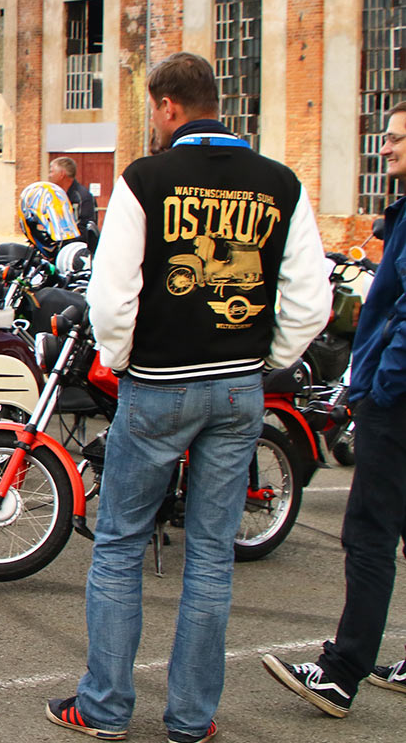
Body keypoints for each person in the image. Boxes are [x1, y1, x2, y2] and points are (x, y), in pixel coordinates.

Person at [45, 52, 329, 743]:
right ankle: (191, 720)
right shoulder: (280, 184)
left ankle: (106, 707)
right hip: (237, 389)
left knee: (118, 545)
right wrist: (271, 361)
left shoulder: (146, 179)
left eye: (153, 110)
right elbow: (310, 299)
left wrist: (122, 360)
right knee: (210, 553)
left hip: (160, 385)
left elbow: (111, 297)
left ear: (168, 107)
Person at [261, 99, 406, 718]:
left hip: (397, 404)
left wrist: (376, 386)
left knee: (370, 534)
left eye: (398, 138)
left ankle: (341, 673)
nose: (386, 146)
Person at [49, 156, 99, 234]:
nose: (50, 175)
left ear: (62, 174)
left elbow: (84, 229)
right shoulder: (55, 195)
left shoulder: (83, 197)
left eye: (51, 172)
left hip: (77, 244)